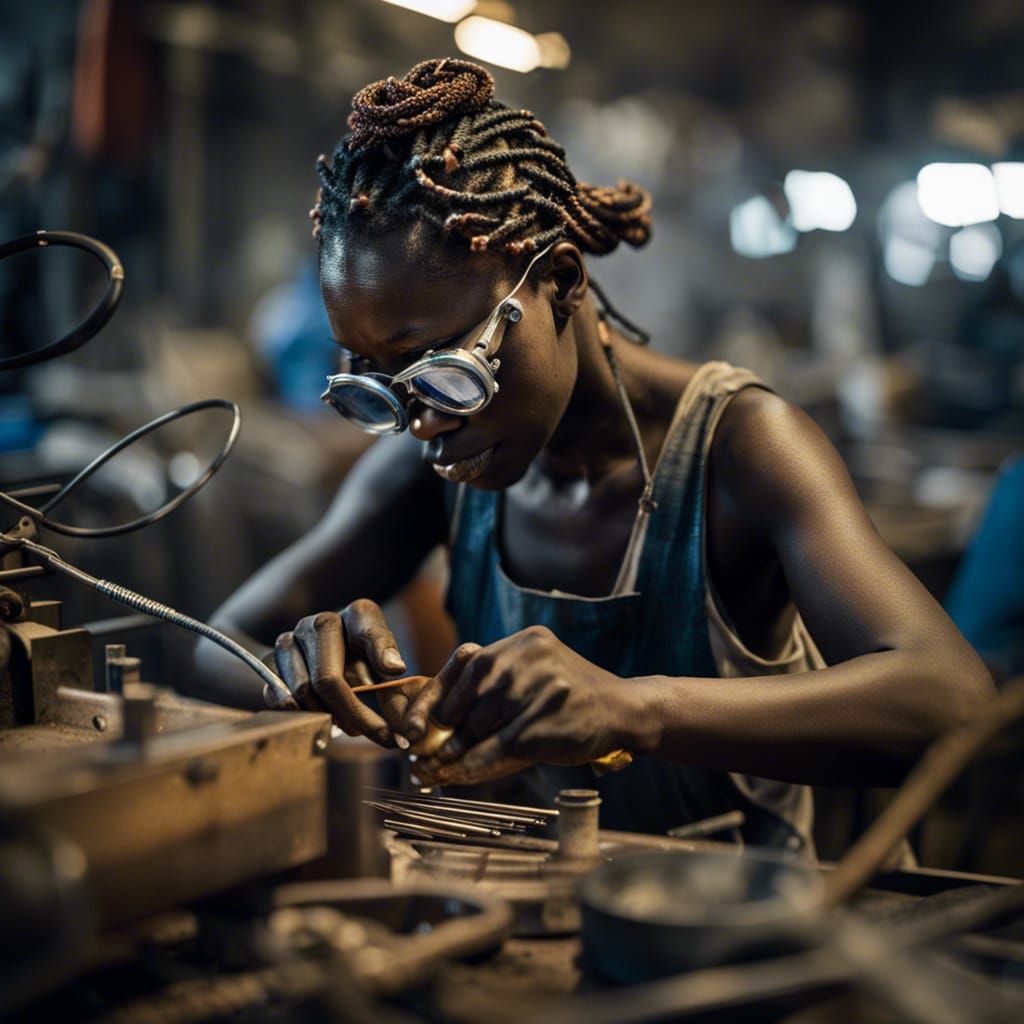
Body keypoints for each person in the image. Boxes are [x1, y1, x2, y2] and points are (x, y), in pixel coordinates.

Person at [193, 58, 993, 853]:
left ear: (562, 282)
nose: (422, 424)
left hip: (742, 928)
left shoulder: (740, 448)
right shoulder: (431, 472)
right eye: (381, 390)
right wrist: (298, 674)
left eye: (444, 369)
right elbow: (219, 644)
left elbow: (950, 705)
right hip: (542, 919)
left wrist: (630, 708)